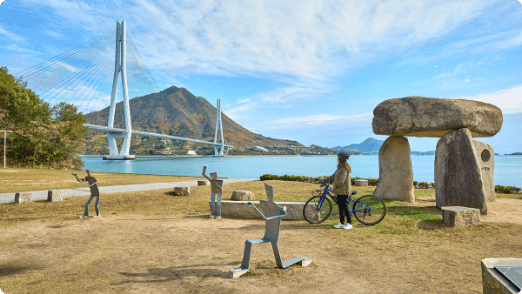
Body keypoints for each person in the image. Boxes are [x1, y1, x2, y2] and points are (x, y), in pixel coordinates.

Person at [323, 152, 352, 229]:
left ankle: (349, 223)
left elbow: (341, 181)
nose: (337, 159)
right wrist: (324, 180)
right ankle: (342, 223)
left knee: (345, 206)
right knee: (341, 207)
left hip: (344, 191)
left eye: (338, 157)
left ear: (341, 159)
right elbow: (332, 176)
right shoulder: (340, 168)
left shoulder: (344, 169)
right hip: (339, 191)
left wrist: (333, 185)